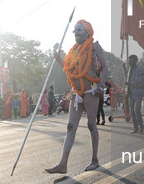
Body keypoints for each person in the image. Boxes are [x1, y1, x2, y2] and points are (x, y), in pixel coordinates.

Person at [46, 20, 108, 173]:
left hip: (91, 91)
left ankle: (95, 159)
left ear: (87, 32)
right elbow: (69, 71)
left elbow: (105, 68)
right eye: (75, 31)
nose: (76, 33)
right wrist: (60, 60)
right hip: (76, 92)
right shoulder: (74, 50)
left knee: (91, 125)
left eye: (79, 30)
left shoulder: (95, 47)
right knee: (70, 126)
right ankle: (63, 164)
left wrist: (100, 87)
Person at [125, 54, 144, 134]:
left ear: (135, 60)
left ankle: (141, 127)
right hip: (130, 94)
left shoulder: (140, 70)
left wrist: (130, 83)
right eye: (129, 60)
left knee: (137, 110)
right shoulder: (129, 70)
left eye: (131, 60)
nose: (129, 61)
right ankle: (135, 128)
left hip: (138, 93)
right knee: (132, 112)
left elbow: (141, 82)